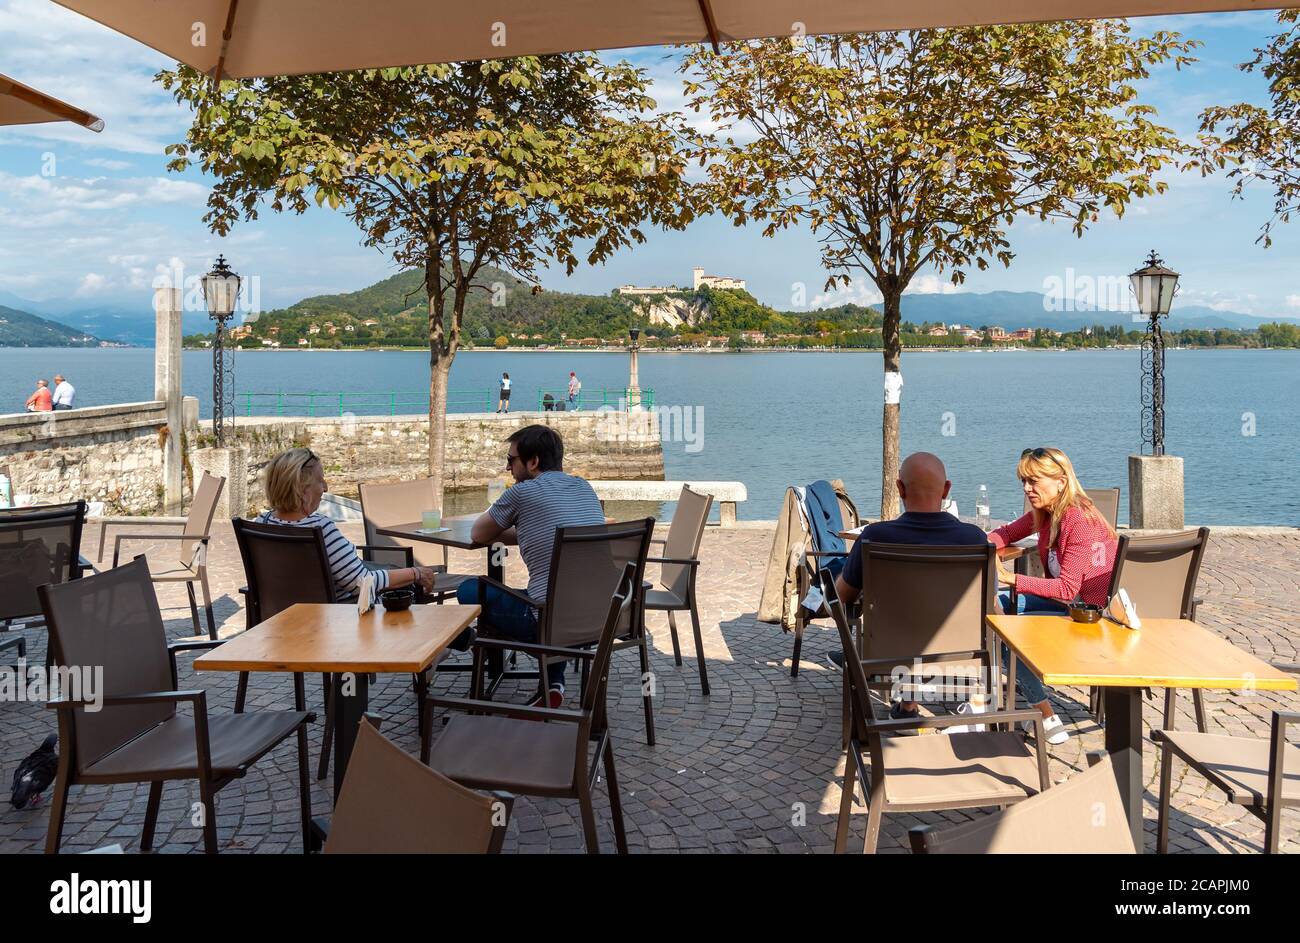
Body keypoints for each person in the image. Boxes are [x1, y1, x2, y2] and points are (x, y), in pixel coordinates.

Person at [830, 453, 989, 724]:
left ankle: (903, 707)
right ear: (947, 490)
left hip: (888, 653)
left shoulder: (875, 537)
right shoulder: (975, 539)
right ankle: (917, 705)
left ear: (900, 488)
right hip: (960, 655)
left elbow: (841, 596)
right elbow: (990, 607)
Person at [457, 424, 605, 707]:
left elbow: (478, 534)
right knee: (548, 594)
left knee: (468, 589)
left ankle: (478, 651)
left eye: (511, 460)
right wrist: (527, 529)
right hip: (595, 616)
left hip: (546, 621)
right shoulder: (584, 487)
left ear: (533, 461)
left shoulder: (522, 493)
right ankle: (553, 685)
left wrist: (515, 525)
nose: (508, 468)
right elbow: (555, 529)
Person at [987, 446, 1118, 745]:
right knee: (989, 607)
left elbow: (1067, 588)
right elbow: (1005, 533)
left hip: (1086, 616)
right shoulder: (1046, 513)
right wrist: (988, 543)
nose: (1027, 488)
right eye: (1023, 481)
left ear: (1061, 481)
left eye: (1034, 481)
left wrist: (1010, 577)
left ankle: (1046, 716)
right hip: (1064, 605)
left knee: (1006, 630)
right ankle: (992, 700)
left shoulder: (1078, 519)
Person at [255, 447, 440, 602]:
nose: (325, 488)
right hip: (338, 624)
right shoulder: (319, 529)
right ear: (302, 489)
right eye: (320, 481)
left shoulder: (261, 524)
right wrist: (417, 573)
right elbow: (362, 582)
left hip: (285, 622)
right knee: (403, 592)